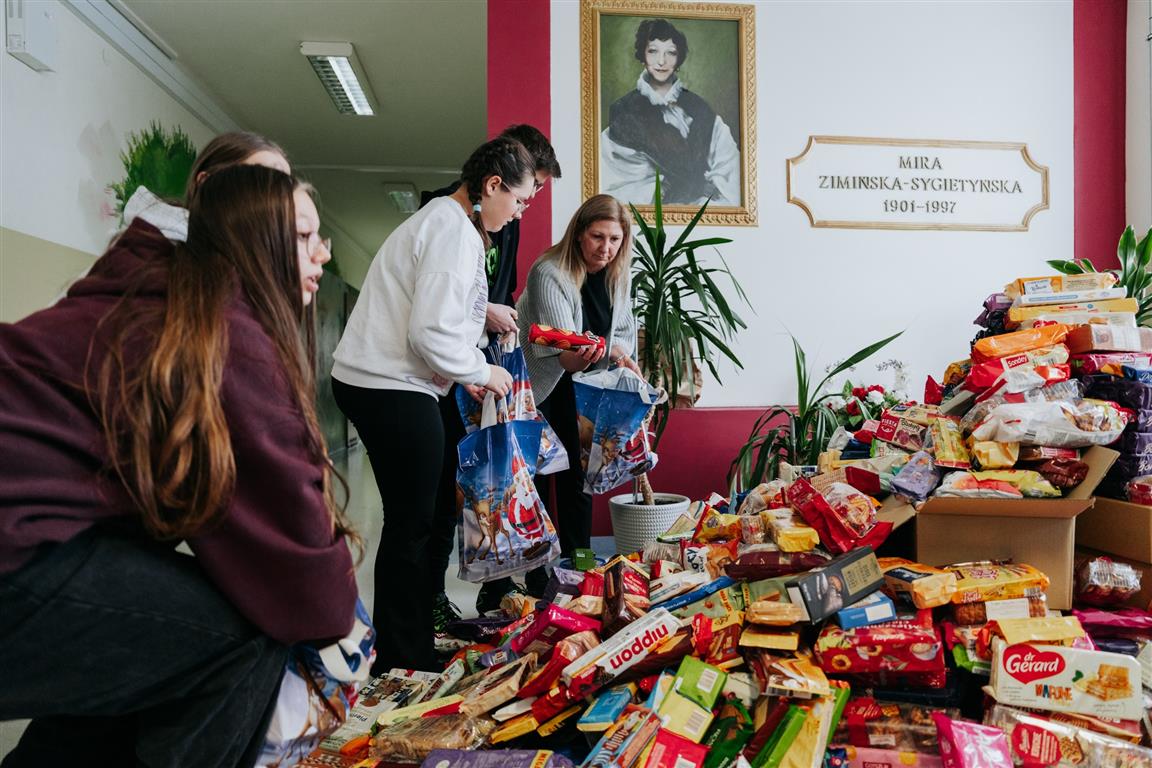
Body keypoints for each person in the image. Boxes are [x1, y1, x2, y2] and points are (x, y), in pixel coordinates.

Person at [0, 164, 357, 766]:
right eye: (302, 235)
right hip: (15, 548)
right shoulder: (222, 330)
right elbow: (309, 600)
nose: (322, 252)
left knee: (148, 636)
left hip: (26, 532)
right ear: (252, 240)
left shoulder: (153, 289)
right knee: (241, 640)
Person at [331, 136, 533, 672]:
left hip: (396, 382)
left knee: (430, 513)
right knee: (412, 524)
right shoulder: (452, 231)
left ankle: (412, 642)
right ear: (492, 186)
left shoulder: (452, 225)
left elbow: (439, 323)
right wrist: (480, 370)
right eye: (519, 201)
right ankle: (400, 657)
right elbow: (430, 332)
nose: (518, 215)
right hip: (387, 385)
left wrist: (460, 369)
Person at [419, 125, 563, 620]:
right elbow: (441, 305)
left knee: (492, 478)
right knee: (447, 491)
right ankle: (430, 601)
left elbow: (494, 286)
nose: (530, 204)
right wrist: (486, 317)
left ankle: (493, 582)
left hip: (480, 363)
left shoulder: (507, 218)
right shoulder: (447, 214)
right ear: (497, 182)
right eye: (530, 190)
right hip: (446, 369)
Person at [514, 194, 642, 574]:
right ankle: (536, 574)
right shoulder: (549, 271)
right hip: (545, 385)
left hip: (589, 384)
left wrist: (617, 354)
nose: (605, 249)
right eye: (597, 237)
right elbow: (559, 351)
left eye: (614, 239)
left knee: (580, 478)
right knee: (538, 478)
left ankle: (580, 565)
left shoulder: (620, 273)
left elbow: (624, 332)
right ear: (579, 234)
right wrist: (599, 351)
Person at [601, 18, 741, 206]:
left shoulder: (700, 109)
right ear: (643, 55)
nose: (661, 61)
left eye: (670, 53)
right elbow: (620, 182)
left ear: (678, 58)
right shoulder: (625, 110)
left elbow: (729, 168)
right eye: (653, 51)